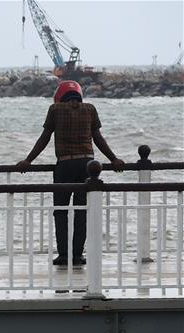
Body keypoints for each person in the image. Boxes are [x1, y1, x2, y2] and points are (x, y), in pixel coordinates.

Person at [16, 80, 125, 267]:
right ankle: (77, 255)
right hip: (87, 165)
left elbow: (44, 138)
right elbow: (98, 138)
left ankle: (63, 255)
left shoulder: (55, 110)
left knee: (61, 211)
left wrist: (28, 161)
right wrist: (114, 159)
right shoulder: (90, 109)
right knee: (82, 212)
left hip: (65, 165)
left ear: (60, 95)